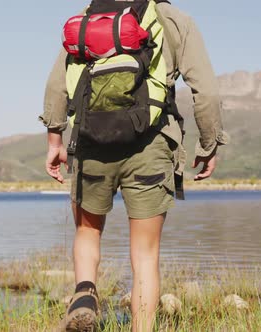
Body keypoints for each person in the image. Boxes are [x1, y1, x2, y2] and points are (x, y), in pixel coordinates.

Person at [39, 0, 229, 331]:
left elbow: (58, 85)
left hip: (90, 142)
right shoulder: (174, 20)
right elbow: (207, 93)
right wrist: (209, 143)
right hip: (150, 145)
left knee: (87, 231)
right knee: (144, 256)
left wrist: (55, 141)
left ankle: (85, 296)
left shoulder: (91, 15)